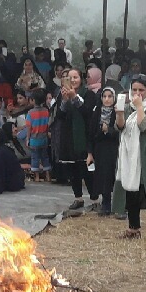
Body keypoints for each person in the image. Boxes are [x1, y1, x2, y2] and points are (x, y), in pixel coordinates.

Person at [112, 76, 146, 241]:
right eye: (134, 90)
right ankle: (133, 228)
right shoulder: (129, 107)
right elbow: (120, 127)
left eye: (141, 90)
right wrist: (120, 113)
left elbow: (145, 126)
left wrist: (139, 107)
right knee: (131, 192)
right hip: (130, 156)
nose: (137, 93)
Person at [55, 67, 91, 210]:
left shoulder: (88, 94)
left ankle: (94, 199)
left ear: (81, 79)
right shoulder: (62, 94)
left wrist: (74, 97)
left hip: (84, 136)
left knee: (87, 171)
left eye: (75, 77)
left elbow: (87, 112)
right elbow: (59, 116)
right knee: (73, 170)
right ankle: (78, 198)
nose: (73, 80)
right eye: (69, 78)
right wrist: (64, 100)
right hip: (69, 137)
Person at [87, 87, 119, 214]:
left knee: (115, 175)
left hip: (115, 149)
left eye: (110, 96)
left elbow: (121, 132)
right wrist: (89, 153)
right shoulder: (97, 112)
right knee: (103, 176)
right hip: (100, 149)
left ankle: (118, 204)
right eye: (104, 96)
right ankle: (106, 203)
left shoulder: (118, 112)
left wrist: (108, 130)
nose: (107, 99)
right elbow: (90, 134)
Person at [25, 90, 52, 182]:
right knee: (45, 156)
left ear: (33, 100)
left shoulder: (30, 113)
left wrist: (28, 138)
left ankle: (37, 176)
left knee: (35, 157)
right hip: (44, 138)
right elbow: (48, 124)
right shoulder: (46, 111)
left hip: (34, 139)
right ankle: (48, 175)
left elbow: (29, 127)